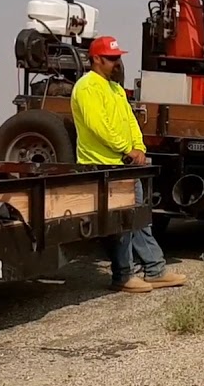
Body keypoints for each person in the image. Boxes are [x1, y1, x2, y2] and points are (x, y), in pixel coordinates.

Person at [70, 35, 185, 293]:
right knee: (122, 222)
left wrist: (140, 148)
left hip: (125, 164)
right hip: (103, 165)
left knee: (140, 219)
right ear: (96, 59)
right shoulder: (87, 87)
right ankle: (122, 275)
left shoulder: (116, 89)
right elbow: (99, 127)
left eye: (118, 57)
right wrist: (127, 150)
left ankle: (155, 270)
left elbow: (130, 122)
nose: (117, 63)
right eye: (111, 58)